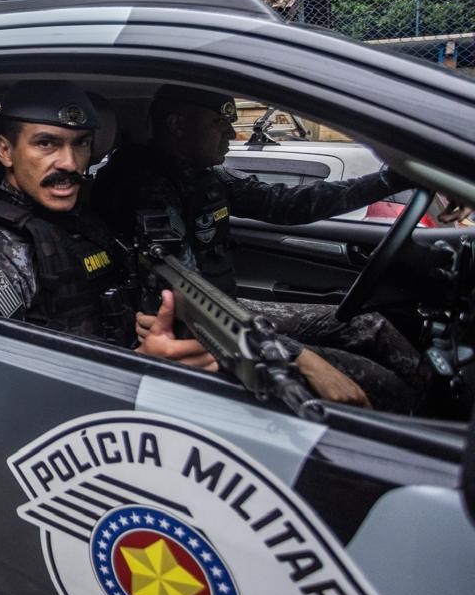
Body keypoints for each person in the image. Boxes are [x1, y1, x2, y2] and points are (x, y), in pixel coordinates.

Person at [0, 80, 390, 408]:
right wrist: (140, 364)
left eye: (80, 145)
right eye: (46, 144)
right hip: (110, 414)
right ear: (5, 151)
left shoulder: (83, 218)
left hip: (153, 378)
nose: (69, 162)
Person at [92, 84, 458, 412]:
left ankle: (446, 402)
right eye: (219, 123)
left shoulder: (204, 175)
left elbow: (287, 204)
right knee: (374, 381)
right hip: (199, 327)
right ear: (177, 125)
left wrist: (392, 179)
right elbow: (181, 294)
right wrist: (301, 358)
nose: (231, 133)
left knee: (370, 325)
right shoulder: (141, 185)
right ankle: (430, 430)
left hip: (228, 307)